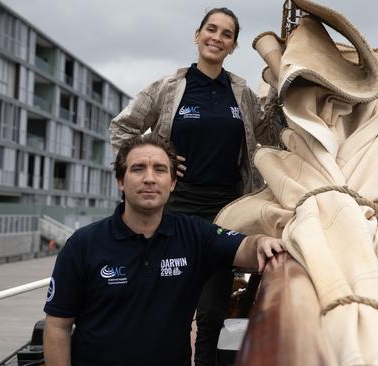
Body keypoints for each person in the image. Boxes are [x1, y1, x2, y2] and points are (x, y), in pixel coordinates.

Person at [108, 7, 283, 365]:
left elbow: (272, 135)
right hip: (173, 210)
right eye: (211, 29)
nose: (216, 38)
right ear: (197, 34)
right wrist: (160, 163)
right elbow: (121, 129)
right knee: (158, 299)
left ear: (233, 46)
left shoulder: (241, 92)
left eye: (226, 34)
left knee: (212, 312)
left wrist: (286, 83)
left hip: (225, 213)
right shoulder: (169, 88)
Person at [43, 134, 285, 366]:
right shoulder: (84, 244)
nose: (149, 178)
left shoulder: (194, 236)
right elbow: (58, 325)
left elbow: (245, 246)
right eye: (138, 168)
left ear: (172, 183)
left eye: (159, 169)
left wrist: (262, 241)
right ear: (120, 181)